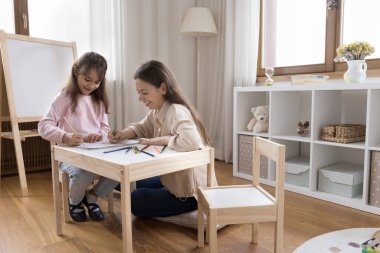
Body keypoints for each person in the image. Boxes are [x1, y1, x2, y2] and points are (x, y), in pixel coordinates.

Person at [109, 60, 218, 217]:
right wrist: (123, 134)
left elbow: (192, 142)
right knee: (126, 181)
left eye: (144, 93)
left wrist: (164, 140)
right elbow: (141, 127)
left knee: (134, 199)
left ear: (163, 88)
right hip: (172, 178)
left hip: (190, 192)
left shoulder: (176, 111)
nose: (140, 98)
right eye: (138, 92)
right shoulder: (158, 110)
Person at [38, 52, 119, 222]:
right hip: (69, 155)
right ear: (76, 73)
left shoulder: (99, 100)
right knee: (84, 172)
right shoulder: (65, 97)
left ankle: (92, 197)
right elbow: (43, 126)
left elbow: (104, 128)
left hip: (94, 152)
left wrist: (98, 136)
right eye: (87, 80)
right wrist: (65, 136)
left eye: (97, 82)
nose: (91, 85)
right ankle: (74, 201)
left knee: (120, 171)